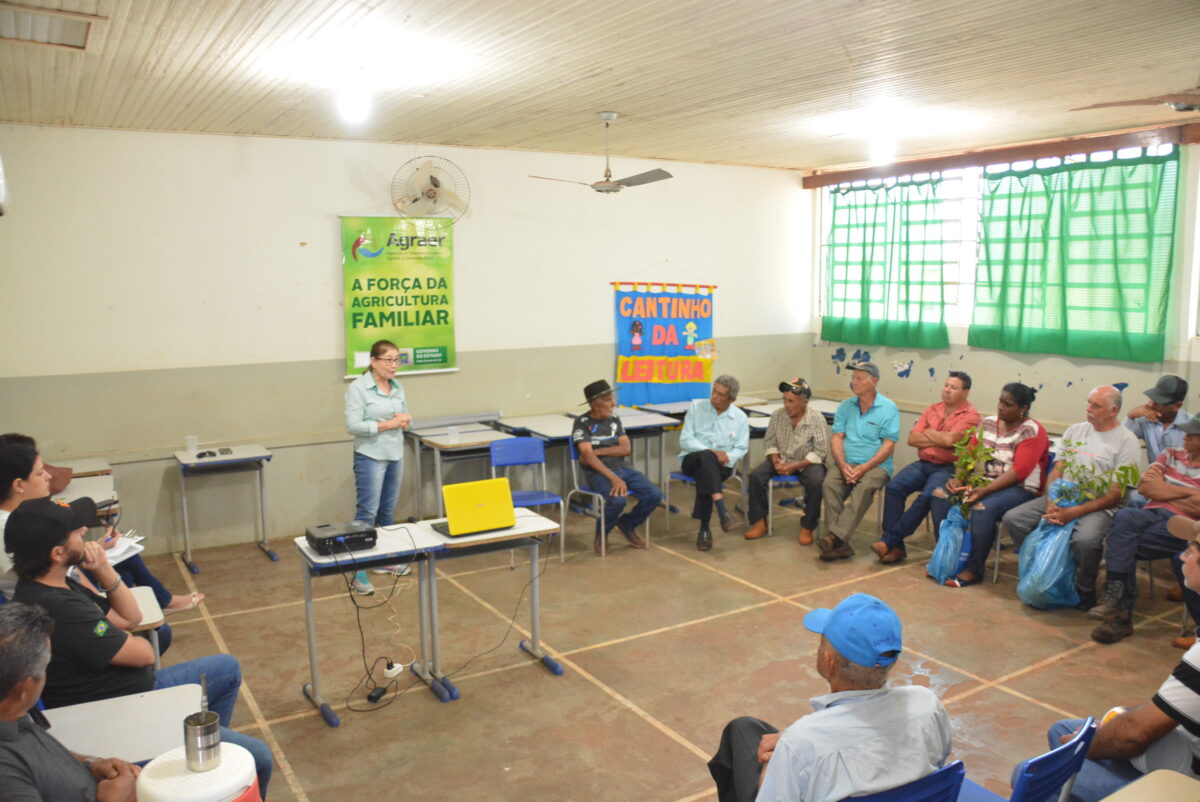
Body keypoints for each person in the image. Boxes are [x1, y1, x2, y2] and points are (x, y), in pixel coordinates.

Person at [4, 497, 273, 795]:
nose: (84, 531)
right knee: (258, 757)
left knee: (227, 668)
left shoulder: (55, 583)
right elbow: (144, 653)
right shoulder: (59, 607)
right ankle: (207, 766)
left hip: (125, 689)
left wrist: (104, 568)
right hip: (119, 707)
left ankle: (208, 761)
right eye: (75, 532)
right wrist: (117, 636)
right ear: (57, 552)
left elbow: (131, 618)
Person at [707, 593, 952, 802]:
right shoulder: (927, 704)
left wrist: (774, 769)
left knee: (740, 731)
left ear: (828, 660)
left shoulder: (802, 742)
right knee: (747, 728)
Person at [1046, 525, 1200, 799]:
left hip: (1188, 782)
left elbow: (1133, 735)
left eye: (1191, 549)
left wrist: (1087, 746)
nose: (1182, 557)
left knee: (1039, 776)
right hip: (1185, 747)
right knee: (1064, 731)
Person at [0, 435, 202, 619]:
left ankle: (162, 601)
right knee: (127, 585)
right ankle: (161, 604)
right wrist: (98, 596)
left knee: (125, 557)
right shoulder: (9, 528)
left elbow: (52, 561)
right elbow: (46, 574)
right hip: (53, 600)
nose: (49, 477)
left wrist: (96, 548)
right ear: (18, 485)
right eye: (40, 472)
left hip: (64, 582)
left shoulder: (25, 515)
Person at [1001, 386, 1141, 609]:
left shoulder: (1127, 441)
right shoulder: (1075, 431)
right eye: (1088, 403)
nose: (1089, 409)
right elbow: (1057, 470)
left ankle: (1084, 590)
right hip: (1064, 497)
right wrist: (1052, 501)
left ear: (1113, 411)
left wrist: (1073, 512)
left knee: (1086, 541)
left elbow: (1116, 494)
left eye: (1096, 406)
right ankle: (1045, 570)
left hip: (1099, 504)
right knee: (1014, 519)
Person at [0, 601, 141, 801]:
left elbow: (42, 760)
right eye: (44, 667)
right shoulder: (7, 779)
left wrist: (91, 764)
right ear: (24, 687)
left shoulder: (12, 711)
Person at [1087, 417, 1200, 644]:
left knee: (1120, 544)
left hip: (1185, 524)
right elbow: (1146, 487)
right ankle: (1116, 600)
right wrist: (1188, 493)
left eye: (1192, 435)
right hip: (1151, 514)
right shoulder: (1170, 453)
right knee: (1125, 516)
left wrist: (1166, 489)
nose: (1185, 436)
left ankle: (1119, 614)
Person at [929, 382, 1049, 587]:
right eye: (1000, 401)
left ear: (1023, 409)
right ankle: (948, 557)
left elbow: (1019, 472)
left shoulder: (1032, 431)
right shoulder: (988, 424)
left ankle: (974, 569)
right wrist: (959, 477)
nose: (1000, 407)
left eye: (1008, 404)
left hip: (1020, 489)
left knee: (981, 508)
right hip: (984, 483)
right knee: (941, 495)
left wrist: (984, 491)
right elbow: (968, 455)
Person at [870, 371, 980, 564]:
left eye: (953, 388)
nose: (947, 390)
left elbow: (949, 441)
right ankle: (896, 548)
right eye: (946, 385)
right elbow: (912, 439)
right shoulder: (932, 409)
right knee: (894, 487)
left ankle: (889, 541)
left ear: (965, 393)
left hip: (948, 468)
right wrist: (939, 438)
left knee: (928, 496)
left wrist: (928, 433)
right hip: (923, 464)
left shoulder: (971, 415)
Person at [344, 338, 413, 595]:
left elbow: (405, 415)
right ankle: (357, 571)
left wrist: (406, 420)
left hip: (395, 454)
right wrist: (389, 424)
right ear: (374, 362)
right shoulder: (358, 388)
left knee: (387, 512)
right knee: (366, 514)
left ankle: (385, 561)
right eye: (389, 360)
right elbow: (353, 426)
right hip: (370, 456)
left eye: (397, 360)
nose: (394, 365)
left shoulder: (397, 386)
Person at [818, 362, 899, 562]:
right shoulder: (846, 406)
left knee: (864, 488)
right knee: (830, 483)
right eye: (853, 378)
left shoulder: (888, 408)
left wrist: (864, 467)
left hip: (876, 466)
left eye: (860, 378)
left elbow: (888, 446)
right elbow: (837, 437)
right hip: (846, 462)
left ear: (874, 381)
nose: (854, 382)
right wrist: (842, 463)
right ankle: (840, 543)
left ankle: (834, 537)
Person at [571, 379, 662, 555]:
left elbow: (626, 449)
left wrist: (595, 453)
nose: (613, 403)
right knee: (618, 500)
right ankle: (602, 534)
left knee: (655, 494)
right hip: (598, 473)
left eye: (612, 398)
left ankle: (627, 525)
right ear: (595, 405)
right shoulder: (582, 422)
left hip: (622, 468)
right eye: (608, 400)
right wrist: (613, 477)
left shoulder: (614, 419)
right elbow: (587, 457)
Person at [744, 378, 829, 545]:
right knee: (756, 476)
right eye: (784, 399)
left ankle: (808, 526)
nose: (787, 405)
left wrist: (795, 466)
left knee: (816, 481)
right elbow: (770, 442)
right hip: (781, 458)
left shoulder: (816, 419)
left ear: (804, 402)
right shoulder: (777, 415)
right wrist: (776, 462)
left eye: (791, 401)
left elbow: (820, 451)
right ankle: (760, 521)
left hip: (807, 462)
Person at [678, 376, 750, 552]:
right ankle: (720, 507)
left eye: (720, 395)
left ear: (732, 400)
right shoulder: (696, 408)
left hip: (721, 466)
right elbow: (686, 439)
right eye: (714, 392)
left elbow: (741, 447)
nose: (714, 397)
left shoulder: (740, 418)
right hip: (692, 460)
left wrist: (727, 457)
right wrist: (711, 453)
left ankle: (705, 529)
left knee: (707, 473)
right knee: (706, 459)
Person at [1125, 375, 1191, 465]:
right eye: (1151, 399)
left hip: (1183, 478)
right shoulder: (1144, 418)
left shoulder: (1192, 426)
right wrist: (1130, 417)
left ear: (1177, 406)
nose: (1151, 405)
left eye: (1158, 402)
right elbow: (1119, 443)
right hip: (1153, 476)